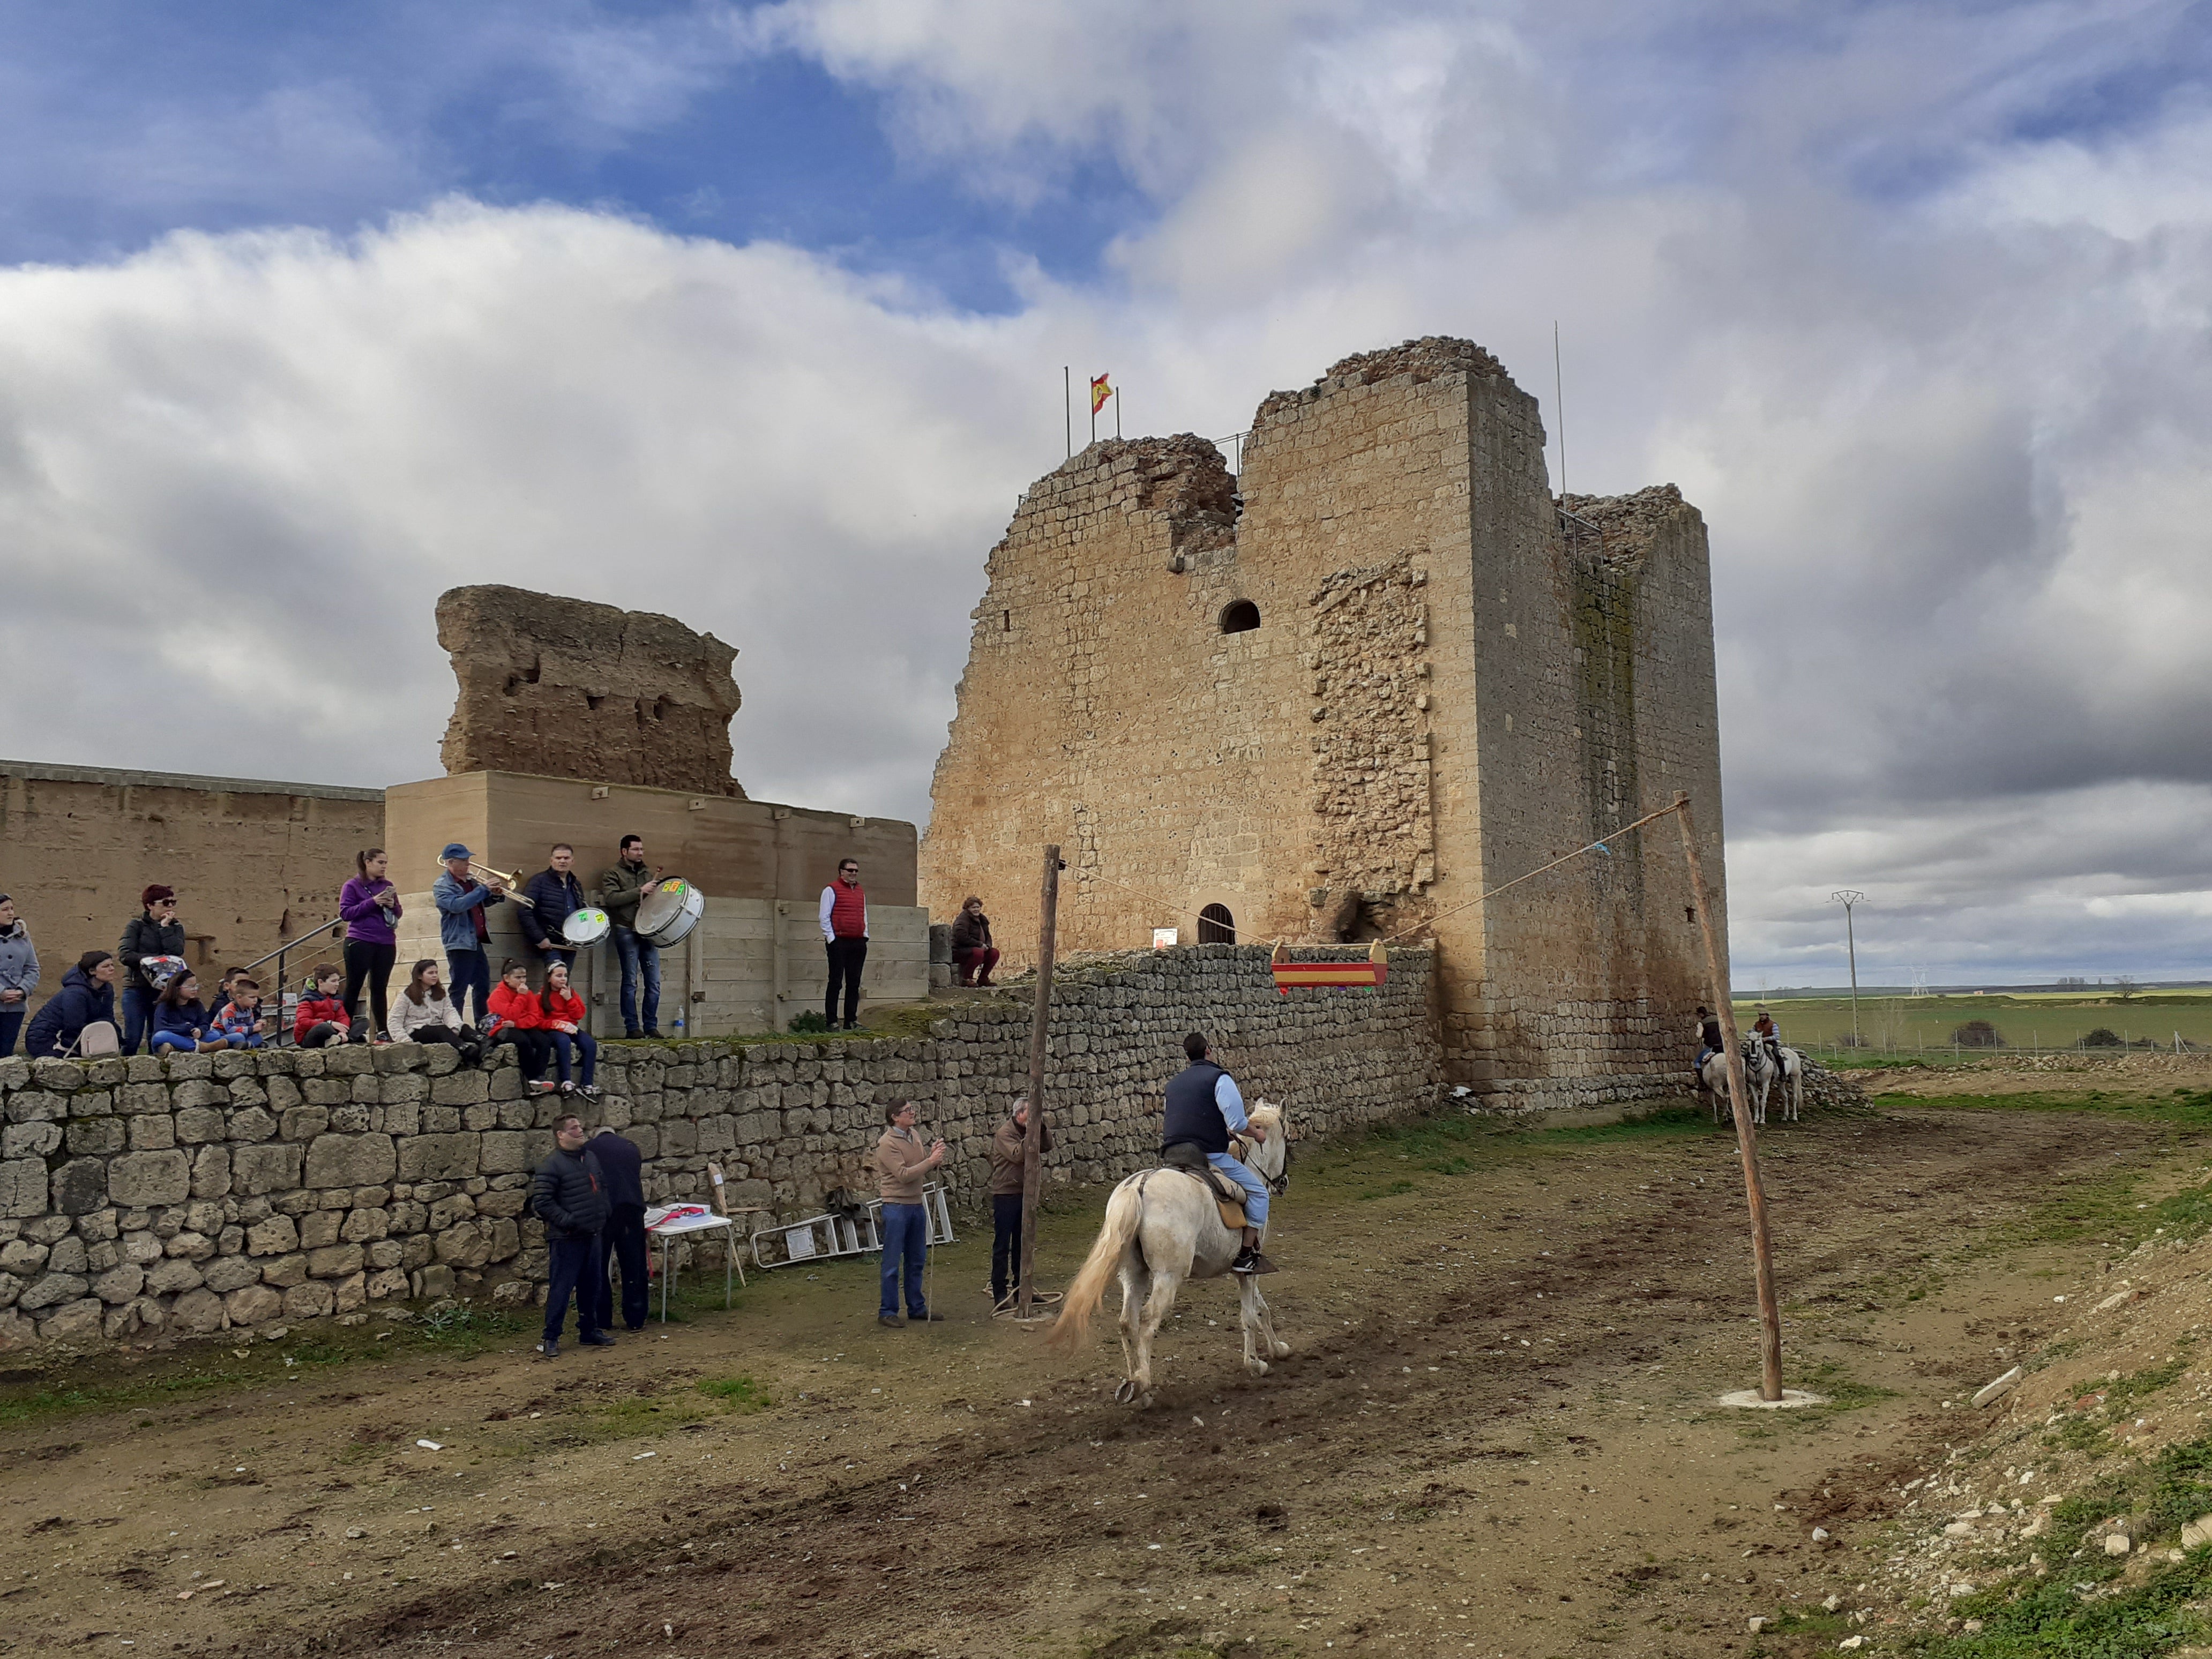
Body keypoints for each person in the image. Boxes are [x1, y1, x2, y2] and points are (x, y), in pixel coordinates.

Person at [1162, 1032, 1274, 1275]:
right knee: (1260, 1194)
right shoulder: (1219, 1079)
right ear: (1209, 1050)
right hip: (1209, 1156)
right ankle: (1246, 1256)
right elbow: (1236, 1123)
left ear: (1188, 1056)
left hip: (1173, 1154)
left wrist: (1217, 1128)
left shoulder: (1173, 1084)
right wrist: (1257, 1134)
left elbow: (1184, 1118)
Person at [530, 1113, 612, 1358]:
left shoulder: (591, 1158)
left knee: (592, 1287)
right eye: (574, 1128)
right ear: (561, 1135)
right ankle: (551, 1337)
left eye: (580, 1126)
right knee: (562, 1289)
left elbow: (602, 1187)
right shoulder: (551, 1165)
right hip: (567, 1239)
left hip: (593, 1234)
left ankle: (589, 1331)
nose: (580, 1130)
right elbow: (543, 1202)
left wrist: (604, 1212)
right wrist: (569, 1221)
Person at [874, 1100, 945, 1328]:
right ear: (895, 1117)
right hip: (895, 1206)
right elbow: (904, 1175)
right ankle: (888, 1311)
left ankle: (917, 1307)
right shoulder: (886, 1144)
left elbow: (920, 1164)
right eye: (908, 1111)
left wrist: (932, 1156)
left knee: (917, 1260)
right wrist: (931, 1162)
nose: (913, 1113)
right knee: (892, 1262)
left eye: (913, 1108)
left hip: (916, 1204)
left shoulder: (914, 1134)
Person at [432, 844, 506, 1027]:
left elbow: (480, 903)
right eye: (464, 860)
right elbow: (457, 906)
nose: (468, 863)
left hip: (476, 941)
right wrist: (482, 890)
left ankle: (482, 1024)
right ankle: (455, 1025)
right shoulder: (442, 885)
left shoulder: (471, 882)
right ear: (450, 862)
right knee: (459, 987)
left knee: (482, 985)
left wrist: (495, 895)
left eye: (468, 859)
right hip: (459, 942)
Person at [988, 1097, 1051, 1309]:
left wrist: (1040, 1129)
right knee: (1002, 1245)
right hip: (1006, 1195)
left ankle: (1021, 1288)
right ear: (1019, 1114)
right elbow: (1018, 1155)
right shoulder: (1004, 1133)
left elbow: (1047, 1146)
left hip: (1026, 1194)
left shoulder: (1028, 1129)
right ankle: (999, 1291)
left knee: (1023, 1243)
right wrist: (1031, 1133)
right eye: (1031, 1113)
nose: (1034, 1117)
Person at [599, 834, 662, 1040]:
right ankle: (632, 1028)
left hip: (647, 930)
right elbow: (611, 898)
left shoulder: (647, 872)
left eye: (642, 849)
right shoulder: (612, 873)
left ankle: (651, 1026)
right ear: (624, 852)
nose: (640, 853)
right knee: (630, 981)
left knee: (653, 983)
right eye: (635, 849)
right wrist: (639, 891)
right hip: (626, 928)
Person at [339, 848, 402, 1040]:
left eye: (386, 863)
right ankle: (345, 1030)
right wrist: (373, 902)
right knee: (354, 986)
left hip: (385, 941)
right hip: (360, 940)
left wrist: (393, 905)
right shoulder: (352, 886)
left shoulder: (388, 885)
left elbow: (398, 913)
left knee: (380, 987)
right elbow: (346, 913)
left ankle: (383, 1031)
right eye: (380, 862)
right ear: (368, 862)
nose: (384, 867)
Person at [590, 1125, 648, 1333]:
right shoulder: (631, 1147)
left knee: (599, 1264)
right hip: (632, 1209)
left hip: (605, 1211)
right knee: (634, 1263)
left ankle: (602, 1317)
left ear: (595, 1133)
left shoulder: (590, 1148)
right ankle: (636, 1317)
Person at [116, 885, 186, 1056]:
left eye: (173, 902)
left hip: (162, 989)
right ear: (150, 905)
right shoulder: (136, 925)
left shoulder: (175, 927)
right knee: (133, 1036)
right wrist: (154, 960)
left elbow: (176, 952)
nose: (171, 907)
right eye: (166, 902)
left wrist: (165, 928)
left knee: (156, 1034)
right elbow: (125, 955)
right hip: (136, 987)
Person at [24, 951, 116, 1060]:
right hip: (46, 1039)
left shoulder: (107, 990)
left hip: (75, 1035)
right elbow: (74, 1025)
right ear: (92, 971)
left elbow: (107, 1018)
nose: (112, 969)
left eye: (112, 965)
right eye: (106, 966)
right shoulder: (75, 993)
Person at [387, 959, 483, 1064]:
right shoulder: (406, 995)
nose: (435, 976)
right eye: (430, 973)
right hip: (416, 1031)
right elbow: (394, 1021)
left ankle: (484, 1041)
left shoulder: (440, 993)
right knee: (441, 1030)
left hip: (437, 1028)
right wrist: (406, 1041)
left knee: (463, 1027)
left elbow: (449, 1012)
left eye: (436, 973)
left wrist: (455, 1027)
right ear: (420, 976)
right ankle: (464, 1048)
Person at [518, 845, 588, 975]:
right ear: (551, 861)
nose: (562, 861)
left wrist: (584, 933)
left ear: (572, 861)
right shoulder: (539, 881)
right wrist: (540, 938)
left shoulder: (575, 884)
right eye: (558, 858)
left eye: (566, 858)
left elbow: (581, 912)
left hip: (571, 943)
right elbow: (524, 910)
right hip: (550, 942)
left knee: (564, 981)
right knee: (557, 977)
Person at [486, 960, 553, 1093]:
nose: (522, 981)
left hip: (520, 1025)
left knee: (544, 1041)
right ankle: (531, 1078)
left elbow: (534, 1017)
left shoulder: (527, 993)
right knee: (523, 1042)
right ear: (506, 978)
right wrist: (521, 997)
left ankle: (540, 1076)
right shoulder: (498, 995)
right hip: (502, 1029)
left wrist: (518, 1023)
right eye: (518, 978)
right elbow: (510, 1014)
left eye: (524, 977)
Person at [537, 960, 600, 1098]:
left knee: (590, 1044)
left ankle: (587, 1083)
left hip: (571, 1027)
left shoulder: (570, 993)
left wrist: (569, 1000)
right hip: (554, 1030)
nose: (563, 979)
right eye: (559, 976)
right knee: (563, 1042)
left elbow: (579, 1014)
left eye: (565, 976)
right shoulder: (541, 997)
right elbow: (539, 1021)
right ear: (549, 978)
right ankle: (566, 1082)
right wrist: (555, 1024)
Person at [820, 857, 869, 1030]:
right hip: (839, 941)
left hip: (857, 941)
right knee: (835, 982)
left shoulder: (860, 891)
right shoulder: (831, 890)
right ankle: (832, 1021)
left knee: (854, 982)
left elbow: (863, 914)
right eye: (850, 870)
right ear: (842, 872)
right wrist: (832, 940)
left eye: (856, 870)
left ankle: (851, 1020)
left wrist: (865, 935)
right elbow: (824, 917)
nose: (853, 873)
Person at [150, 972, 226, 1054]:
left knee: (215, 1035)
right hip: (172, 1036)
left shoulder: (197, 1004)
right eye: (190, 986)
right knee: (160, 1036)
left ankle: (179, 1048)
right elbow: (160, 1027)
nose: (194, 989)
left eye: (195, 986)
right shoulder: (164, 1005)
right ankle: (203, 1047)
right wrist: (185, 1028)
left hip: (192, 1038)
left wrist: (200, 1030)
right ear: (177, 988)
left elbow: (205, 1022)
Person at [0, 895, 39, 1058]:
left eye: (12, 909)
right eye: (5, 910)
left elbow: (33, 968)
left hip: (15, 1006)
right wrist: (1, 992)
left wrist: (22, 990)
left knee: (5, 1054)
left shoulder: (23, 936)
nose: (10, 913)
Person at [295, 965, 359, 1048]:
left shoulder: (336, 998)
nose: (337, 984)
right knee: (323, 1027)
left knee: (362, 1022)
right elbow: (304, 1022)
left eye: (338, 981)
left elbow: (343, 1017)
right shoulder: (307, 999)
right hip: (311, 1037)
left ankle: (342, 1038)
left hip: (335, 1032)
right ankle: (348, 1039)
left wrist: (342, 1031)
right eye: (333, 981)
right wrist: (330, 1023)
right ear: (321, 982)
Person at [207, 978, 273, 1049]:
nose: (255, 1000)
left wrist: (257, 1025)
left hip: (241, 1033)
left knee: (258, 1036)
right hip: (223, 1034)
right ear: (239, 997)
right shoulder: (229, 1010)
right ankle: (251, 1044)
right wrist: (252, 1029)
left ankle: (247, 1045)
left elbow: (250, 1025)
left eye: (257, 997)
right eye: (252, 997)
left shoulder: (248, 1009)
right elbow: (230, 1029)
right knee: (239, 1037)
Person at [951, 896, 999, 988]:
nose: (976, 910)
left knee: (994, 953)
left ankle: (983, 979)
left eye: (978, 907)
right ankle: (967, 979)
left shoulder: (982, 919)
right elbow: (961, 937)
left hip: (977, 947)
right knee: (978, 953)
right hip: (960, 950)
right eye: (973, 908)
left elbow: (988, 936)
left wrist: (988, 946)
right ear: (968, 909)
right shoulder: (963, 920)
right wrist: (979, 945)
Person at [1693, 1004, 1724, 1081]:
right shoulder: (1718, 1020)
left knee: (1697, 1062)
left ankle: (1702, 1082)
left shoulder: (1702, 1023)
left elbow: (1699, 1035)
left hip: (1710, 1047)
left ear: (1701, 1014)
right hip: (1721, 1046)